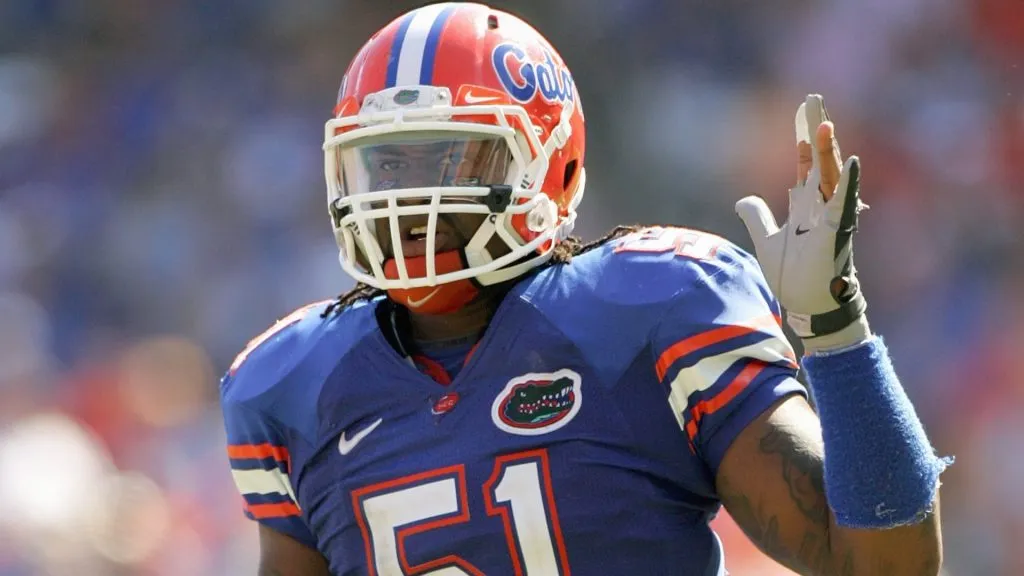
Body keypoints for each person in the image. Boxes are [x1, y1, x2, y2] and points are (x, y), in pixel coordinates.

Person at [220, 3, 949, 575]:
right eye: (385, 167)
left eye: (449, 161)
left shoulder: (652, 307)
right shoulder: (289, 385)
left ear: (550, 166)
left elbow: (884, 565)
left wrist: (834, 330)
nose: (408, 201)